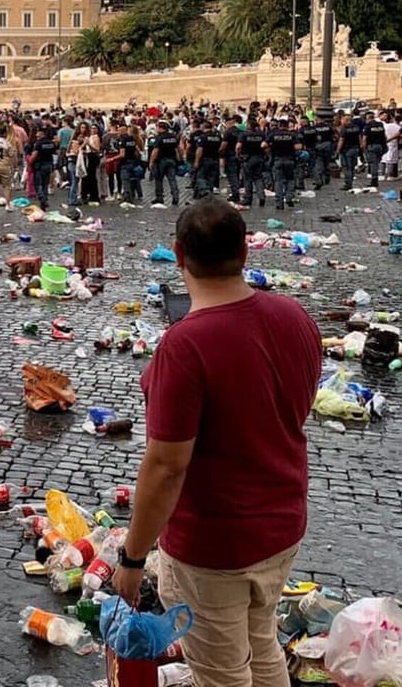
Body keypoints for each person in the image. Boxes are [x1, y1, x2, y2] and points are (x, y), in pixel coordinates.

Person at [113, 196, 320, 687]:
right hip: (283, 524)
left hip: (215, 545)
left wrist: (132, 558)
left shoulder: (186, 346)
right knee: (262, 642)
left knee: (222, 673)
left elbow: (166, 467)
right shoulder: (295, 316)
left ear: (179, 256)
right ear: (245, 253)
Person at [149, 120, 181, 206]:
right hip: (172, 160)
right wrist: (180, 159)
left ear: (160, 128)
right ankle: (175, 196)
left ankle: (159, 197)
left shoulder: (159, 138)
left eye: (157, 127)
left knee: (159, 179)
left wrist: (151, 162)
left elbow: (155, 151)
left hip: (161, 161)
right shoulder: (173, 137)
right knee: (172, 179)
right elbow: (178, 148)